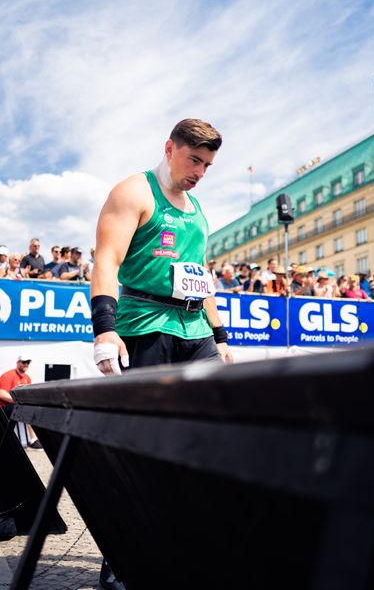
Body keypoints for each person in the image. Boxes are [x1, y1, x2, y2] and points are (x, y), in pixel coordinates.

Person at [90, 118, 233, 589]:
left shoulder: (197, 209)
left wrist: (223, 337)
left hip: (196, 330)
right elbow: (107, 259)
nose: (199, 172)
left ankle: (197, 545)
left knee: (213, 435)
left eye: (208, 165)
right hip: (145, 324)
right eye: (194, 160)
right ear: (169, 149)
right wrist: (104, 331)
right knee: (143, 445)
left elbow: (201, 275)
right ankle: (123, 559)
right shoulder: (135, 191)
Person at [0, 355, 42, 449]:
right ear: (18, 362)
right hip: (4, 407)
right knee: (26, 409)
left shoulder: (27, 378)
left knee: (35, 409)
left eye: (28, 362)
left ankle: (35, 439)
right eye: (24, 362)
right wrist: (18, 401)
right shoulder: (8, 375)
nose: (26, 364)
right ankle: (33, 440)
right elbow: (1, 393)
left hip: (16, 407)